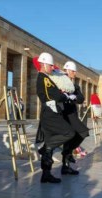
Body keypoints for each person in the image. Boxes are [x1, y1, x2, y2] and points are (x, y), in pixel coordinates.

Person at [35, 52, 75, 183]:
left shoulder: (48, 77)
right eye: (50, 65)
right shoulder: (44, 78)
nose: (52, 67)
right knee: (68, 133)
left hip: (52, 113)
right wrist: (65, 96)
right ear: (44, 64)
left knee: (50, 142)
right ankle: (44, 149)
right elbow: (55, 96)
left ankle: (45, 174)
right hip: (49, 114)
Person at [60, 61, 89, 175]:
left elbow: (81, 98)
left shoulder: (75, 86)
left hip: (73, 115)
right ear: (67, 70)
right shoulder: (60, 83)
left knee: (83, 132)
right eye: (73, 71)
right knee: (67, 139)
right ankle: (65, 166)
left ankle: (68, 153)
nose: (75, 73)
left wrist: (74, 97)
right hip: (64, 114)